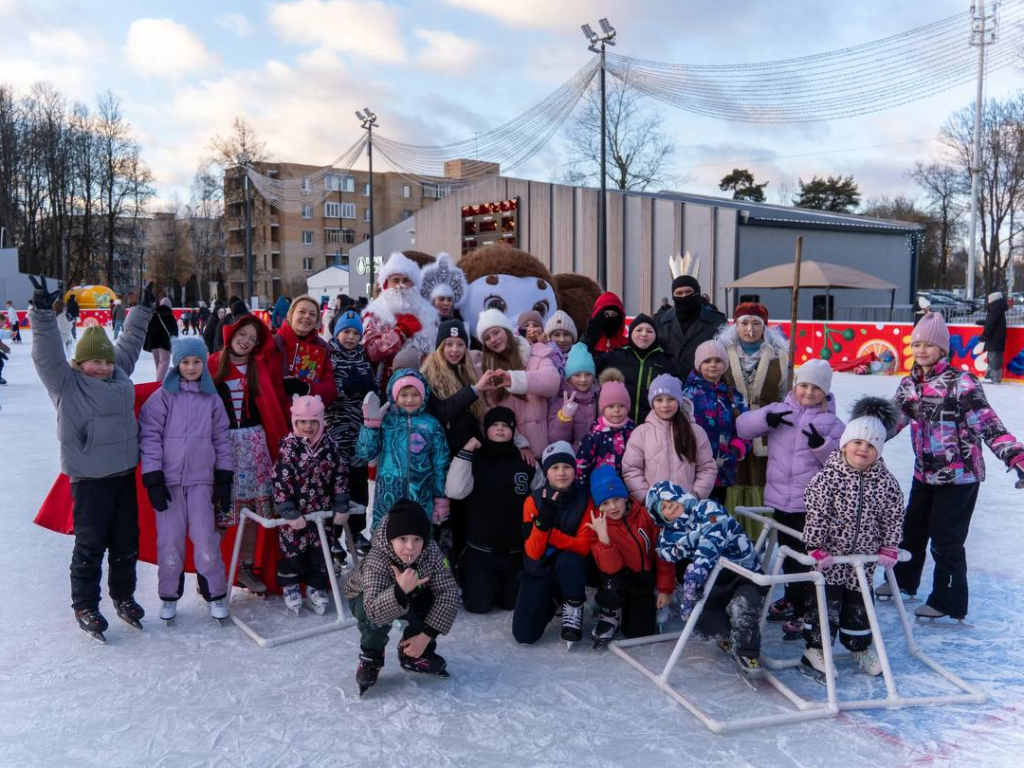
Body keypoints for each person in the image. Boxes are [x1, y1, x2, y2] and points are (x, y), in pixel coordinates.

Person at [28, 277, 154, 640]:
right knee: (90, 546)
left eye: (106, 361)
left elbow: (129, 342)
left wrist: (143, 310)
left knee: (126, 543)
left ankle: (123, 596)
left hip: (124, 476)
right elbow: (46, 355)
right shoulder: (66, 384)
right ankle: (85, 604)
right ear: (79, 362)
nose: (103, 367)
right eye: (95, 361)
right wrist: (42, 314)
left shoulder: (118, 373)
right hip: (89, 480)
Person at [889, 312, 1024, 621]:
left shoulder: (962, 383)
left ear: (942, 348)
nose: (922, 350)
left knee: (945, 538)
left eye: (929, 345)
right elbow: (892, 421)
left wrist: (1015, 456)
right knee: (912, 528)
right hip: (924, 473)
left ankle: (947, 600)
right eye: (917, 344)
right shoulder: (910, 384)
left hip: (959, 477)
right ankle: (903, 581)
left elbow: (989, 424)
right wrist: (858, 440)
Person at [736, 359, 845, 638]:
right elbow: (742, 427)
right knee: (786, 553)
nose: (808, 392)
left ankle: (807, 608)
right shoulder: (780, 410)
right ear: (795, 385)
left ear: (826, 391)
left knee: (805, 558)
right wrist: (765, 419)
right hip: (779, 499)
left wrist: (822, 447)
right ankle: (793, 599)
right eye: (804, 385)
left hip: (810, 505)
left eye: (816, 388)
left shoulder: (833, 424)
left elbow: (842, 465)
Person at [800, 396, 905, 680]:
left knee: (859, 606)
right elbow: (817, 513)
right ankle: (815, 649)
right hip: (831, 558)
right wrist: (815, 546)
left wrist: (889, 545)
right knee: (826, 604)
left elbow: (893, 515)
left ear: (879, 451)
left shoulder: (886, 482)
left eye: (871, 445)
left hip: (863, 560)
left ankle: (859, 647)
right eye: (857, 442)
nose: (863, 449)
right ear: (845, 444)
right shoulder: (828, 478)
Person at [138, 336, 232, 623]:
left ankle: (215, 593)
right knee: (169, 540)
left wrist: (224, 477)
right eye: (185, 362)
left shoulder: (211, 398)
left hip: (202, 480)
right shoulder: (163, 396)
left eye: (197, 361)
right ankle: (169, 595)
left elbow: (222, 438)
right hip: (168, 483)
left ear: (204, 363)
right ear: (176, 364)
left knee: (206, 538)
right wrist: (153, 477)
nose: (191, 367)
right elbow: (150, 436)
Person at [646, 481, 765, 678]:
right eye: (664, 507)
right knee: (705, 619)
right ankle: (727, 635)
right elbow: (664, 551)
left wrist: (695, 572)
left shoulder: (707, 508)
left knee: (744, 607)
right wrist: (691, 541)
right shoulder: (670, 533)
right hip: (715, 579)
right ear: (661, 516)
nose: (670, 507)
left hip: (743, 573)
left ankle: (747, 652)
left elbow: (713, 535)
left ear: (680, 497)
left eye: (671, 501)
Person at [344, 499, 460, 694]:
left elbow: (448, 593)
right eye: (403, 539)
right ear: (391, 539)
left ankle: (414, 651)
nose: (410, 547)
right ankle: (372, 654)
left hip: (412, 591)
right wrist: (399, 590)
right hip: (365, 597)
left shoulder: (432, 552)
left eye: (417, 539)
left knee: (431, 597)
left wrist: (426, 636)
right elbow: (373, 611)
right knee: (369, 615)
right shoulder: (377, 559)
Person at [209, 315, 289, 595]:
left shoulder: (259, 367)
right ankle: (209, 569)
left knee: (252, 510)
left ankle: (245, 567)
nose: (246, 341)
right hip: (222, 445)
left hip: (255, 445)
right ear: (231, 334)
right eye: (242, 334)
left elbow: (274, 401)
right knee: (220, 510)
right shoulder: (212, 363)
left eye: (252, 338)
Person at [445, 407, 542, 612]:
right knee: (477, 606)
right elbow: (455, 491)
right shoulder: (475, 458)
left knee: (512, 604)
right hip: (481, 551)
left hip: (515, 550)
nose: (499, 429)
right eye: (494, 425)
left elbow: (541, 494)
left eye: (505, 425)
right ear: (486, 429)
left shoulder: (525, 461)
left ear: (513, 431)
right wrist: (466, 451)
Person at [716, 302, 789, 534]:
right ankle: (733, 532)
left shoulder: (780, 357)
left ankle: (759, 533)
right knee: (734, 478)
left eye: (756, 323)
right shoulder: (721, 354)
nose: (750, 329)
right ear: (735, 325)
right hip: (731, 431)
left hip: (765, 433)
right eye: (744, 323)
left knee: (760, 478)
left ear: (765, 327)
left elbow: (786, 395)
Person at [273, 394, 349, 614]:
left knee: (321, 552)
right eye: (303, 421)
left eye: (313, 421)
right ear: (295, 421)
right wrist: (288, 510)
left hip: (322, 513)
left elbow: (340, 475)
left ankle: (316, 587)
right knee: (293, 552)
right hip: (296, 515)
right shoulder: (289, 447)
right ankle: (291, 586)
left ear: (321, 420)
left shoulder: (330, 445)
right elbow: (280, 480)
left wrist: (341, 504)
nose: (308, 426)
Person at [512, 442, 594, 645]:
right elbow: (533, 552)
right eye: (554, 467)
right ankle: (555, 599)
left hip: (569, 568)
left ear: (574, 470)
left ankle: (573, 604)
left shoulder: (585, 499)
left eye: (567, 467)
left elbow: (583, 547)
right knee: (524, 635)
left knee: (570, 558)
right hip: (538, 569)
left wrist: (548, 531)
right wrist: (543, 523)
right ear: (546, 473)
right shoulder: (533, 501)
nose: (561, 473)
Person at [586, 465, 674, 644]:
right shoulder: (597, 525)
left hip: (642, 579)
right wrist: (604, 539)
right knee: (610, 580)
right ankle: (611, 611)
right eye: (605, 503)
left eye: (616, 499)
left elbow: (663, 554)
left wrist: (665, 589)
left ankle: (643, 603)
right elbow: (611, 568)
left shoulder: (645, 516)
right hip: (615, 580)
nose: (612, 507)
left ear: (625, 497)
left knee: (639, 632)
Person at [355, 368, 449, 532]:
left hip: (421, 497)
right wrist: (371, 426)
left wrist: (441, 499)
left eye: (415, 394)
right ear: (394, 397)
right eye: (404, 395)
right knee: (387, 538)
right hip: (388, 498)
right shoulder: (386, 421)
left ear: (423, 395)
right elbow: (365, 453)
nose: (409, 400)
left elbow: (441, 463)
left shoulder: (431, 425)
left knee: (417, 538)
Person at [473, 309, 561, 458]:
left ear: (507, 330)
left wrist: (515, 379)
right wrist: (520, 443)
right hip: (513, 453)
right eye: (487, 338)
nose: (493, 339)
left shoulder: (535, 354)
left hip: (546, 449)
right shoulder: (486, 371)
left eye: (496, 332)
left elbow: (552, 382)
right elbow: (491, 411)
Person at [325, 309, 377, 558]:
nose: (351, 337)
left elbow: (373, 390)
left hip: (358, 432)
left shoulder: (363, 357)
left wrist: (370, 387)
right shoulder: (329, 356)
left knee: (358, 483)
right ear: (337, 333)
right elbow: (325, 388)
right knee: (336, 484)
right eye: (346, 332)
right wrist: (342, 387)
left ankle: (356, 532)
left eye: (356, 333)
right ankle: (333, 535)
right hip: (335, 430)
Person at [621, 373, 717, 504]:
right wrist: (648, 499)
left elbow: (707, 468)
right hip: (654, 508)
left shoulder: (695, 432)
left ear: (679, 400)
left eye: (671, 399)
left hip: (687, 506)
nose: (665, 405)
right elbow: (631, 470)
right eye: (659, 400)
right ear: (652, 403)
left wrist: (695, 495)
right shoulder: (641, 433)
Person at [683, 339, 750, 504]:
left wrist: (735, 450)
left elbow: (746, 428)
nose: (713, 365)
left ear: (725, 364)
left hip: (723, 470)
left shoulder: (734, 396)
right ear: (699, 364)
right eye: (707, 361)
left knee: (715, 513)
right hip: (693, 469)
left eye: (718, 360)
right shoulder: (687, 395)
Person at [362, 252, 441, 383]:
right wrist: (401, 331)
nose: (401, 286)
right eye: (395, 280)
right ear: (386, 284)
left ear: (413, 284)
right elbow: (372, 352)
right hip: (388, 384)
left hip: (425, 383)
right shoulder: (375, 314)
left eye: (405, 280)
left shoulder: (428, 313)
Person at [598, 314, 674, 426]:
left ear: (656, 335)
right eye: (639, 330)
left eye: (649, 331)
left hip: (653, 427)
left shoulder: (666, 361)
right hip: (620, 427)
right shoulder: (616, 357)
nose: (644, 334)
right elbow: (588, 365)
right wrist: (589, 336)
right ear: (631, 333)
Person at [654, 275, 726, 379]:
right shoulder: (659, 320)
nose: (684, 296)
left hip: (703, 383)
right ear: (673, 296)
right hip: (667, 383)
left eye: (688, 292)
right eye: (679, 293)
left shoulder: (717, 320)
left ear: (697, 292)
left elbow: (724, 354)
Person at [575, 369, 635, 487]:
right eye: (611, 406)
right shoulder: (594, 435)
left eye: (621, 406)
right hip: (601, 489)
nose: (616, 410)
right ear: (603, 409)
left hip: (629, 487)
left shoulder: (634, 431)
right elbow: (582, 464)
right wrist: (582, 489)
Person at [274, 294, 337, 405]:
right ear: (290, 314)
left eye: (312, 314)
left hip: (307, 413)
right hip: (277, 410)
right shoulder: (274, 343)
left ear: (316, 321)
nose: (307, 316)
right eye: (302, 311)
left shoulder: (321, 348)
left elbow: (330, 391)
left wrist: (306, 388)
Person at [547, 343, 599, 452]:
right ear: (569, 378)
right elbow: (555, 440)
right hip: (574, 456)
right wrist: (564, 417)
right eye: (577, 375)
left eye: (588, 374)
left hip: (599, 455)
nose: (583, 379)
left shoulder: (599, 397)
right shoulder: (560, 401)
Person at [420, 252, 466, 322]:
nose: (446, 303)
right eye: (441, 299)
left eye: (450, 300)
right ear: (433, 302)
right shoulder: (423, 323)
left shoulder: (460, 324)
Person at [581, 291, 627, 359]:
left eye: (614, 315)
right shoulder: (587, 343)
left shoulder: (627, 346)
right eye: (606, 315)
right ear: (598, 316)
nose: (610, 318)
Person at [145, 297, 178, 382]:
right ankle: (158, 383)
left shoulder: (154, 315)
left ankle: (159, 381)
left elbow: (149, 329)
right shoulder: (170, 316)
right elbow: (174, 331)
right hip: (164, 344)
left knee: (158, 364)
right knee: (164, 363)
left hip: (153, 343)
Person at [978, 291, 1008, 384]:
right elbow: (992, 321)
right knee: (992, 357)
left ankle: (995, 378)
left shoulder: (995, 309)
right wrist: (983, 322)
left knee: (995, 358)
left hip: (995, 338)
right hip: (996, 337)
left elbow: (991, 323)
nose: (988, 301)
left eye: (989, 299)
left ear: (994, 299)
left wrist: (984, 335)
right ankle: (989, 376)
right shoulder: (997, 308)